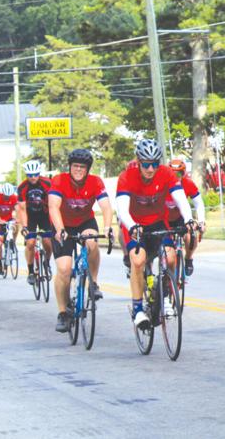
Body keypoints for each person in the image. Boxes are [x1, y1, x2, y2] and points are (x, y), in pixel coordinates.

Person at [115, 139, 195, 328]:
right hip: (134, 223)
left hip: (158, 221)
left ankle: (165, 293)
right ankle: (137, 309)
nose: (150, 169)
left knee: (171, 257)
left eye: (155, 164)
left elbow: (181, 199)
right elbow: (122, 209)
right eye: (146, 164)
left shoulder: (166, 173)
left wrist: (189, 219)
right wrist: (132, 226)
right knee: (138, 261)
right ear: (138, 161)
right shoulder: (126, 177)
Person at [49, 148, 114, 333]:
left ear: (88, 169)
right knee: (64, 269)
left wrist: (108, 227)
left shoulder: (95, 182)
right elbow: (53, 206)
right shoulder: (59, 180)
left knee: (92, 241)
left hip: (85, 221)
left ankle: (93, 282)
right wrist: (60, 229)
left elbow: (106, 207)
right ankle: (62, 312)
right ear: (69, 167)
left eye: (82, 167)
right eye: (75, 166)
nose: (78, 170)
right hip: (62, 224)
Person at [165, 158, 205, 276]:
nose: (176, 176)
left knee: (191, 236)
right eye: (173, 173)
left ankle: (188, 259)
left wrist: (202, 221)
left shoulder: (188, 183)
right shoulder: (162, 184)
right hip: (164, 220)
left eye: (179, 173)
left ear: (184, 174)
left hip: (180, 218)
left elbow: (199, 203)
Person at [18, 160, 53, 285]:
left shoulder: (47, 183)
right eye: (29, 175)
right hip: (30, 216)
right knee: (31, 243)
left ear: (39, 173)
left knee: (47, 242)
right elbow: (22, 209)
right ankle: (31, 271)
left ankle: (47, 262)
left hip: (45, 214)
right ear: (26, 175)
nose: (33, 177)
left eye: (35, 174)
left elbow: (54, 203)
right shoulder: (22, 187)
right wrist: (24, 226)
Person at [0, 183, 18, 275]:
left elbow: (17, 209)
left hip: (9, 219)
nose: (7, 198)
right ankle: (0, 263)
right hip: (0, 220)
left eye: (9, 196)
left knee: (16, 226)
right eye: (5, 196)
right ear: (2, 194)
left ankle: (12, 241)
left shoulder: (14, 197)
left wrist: (17, 218)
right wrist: (0, 220)